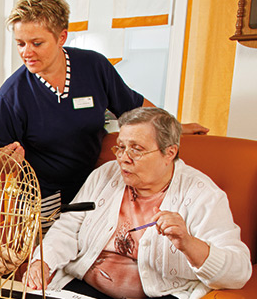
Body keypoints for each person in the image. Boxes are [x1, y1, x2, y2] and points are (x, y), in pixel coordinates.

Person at [0, 0, 209, 231]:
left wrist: (174, 127)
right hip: (43, 197)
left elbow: (134, 108)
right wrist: (10, 162)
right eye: (20, 43)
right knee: (54, 255)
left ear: (62, 36)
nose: (26, 52)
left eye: (37, 43)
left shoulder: (94, 66)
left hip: (96, 187)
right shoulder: (12, 95)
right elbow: (0, 161)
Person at [25, 107, 251, 299]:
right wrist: (42, 263)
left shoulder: (203, 194)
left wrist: (188, 243)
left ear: (169, 152)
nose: (123, 158)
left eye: (136, 149)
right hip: (84, 288)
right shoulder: (106, 174)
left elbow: (238, 272)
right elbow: (67, 228)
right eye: (121, 147)